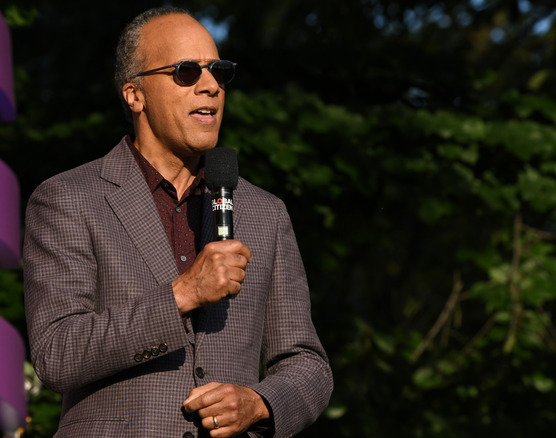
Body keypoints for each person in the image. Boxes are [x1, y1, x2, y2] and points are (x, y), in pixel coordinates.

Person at [24, 7, 332, 438]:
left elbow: (307, 364)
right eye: (186, 72)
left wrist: (260, 403)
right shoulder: (68, 198)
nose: (210, 86)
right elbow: (57, 353)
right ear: (135, 95)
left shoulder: (264, 213)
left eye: (219, 72)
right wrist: (183, 294)